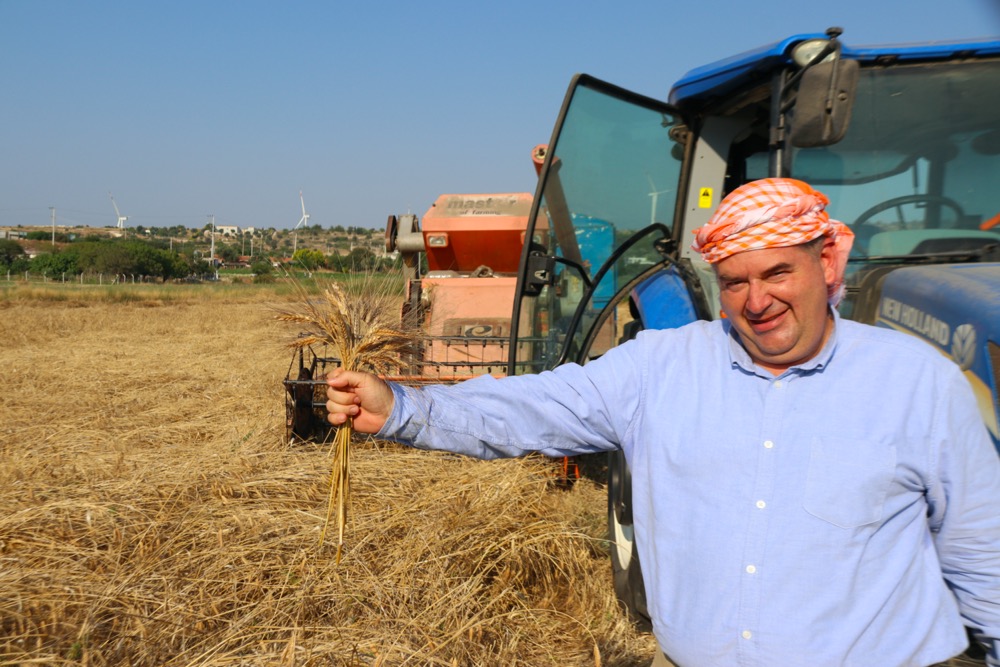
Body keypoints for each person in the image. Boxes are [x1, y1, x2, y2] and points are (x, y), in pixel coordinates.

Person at [326, 178, 1000, 667]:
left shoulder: (918, 382)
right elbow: (535, 406)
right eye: (734, 281)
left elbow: (983, 553)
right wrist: (407, 409)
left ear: (826, 265)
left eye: (777, 272)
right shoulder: (662, 367)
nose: (756, 300)